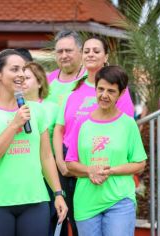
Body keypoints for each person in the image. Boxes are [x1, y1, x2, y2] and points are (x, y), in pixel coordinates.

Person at [0, 49, 68, 236]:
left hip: (35, 202)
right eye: (14, 69)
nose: (21, 74)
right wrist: (14, 125)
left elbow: (46, 156)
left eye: (23, 69)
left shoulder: (37, 110)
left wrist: (58, 193)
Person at [53, 36, 135, 236]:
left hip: (103, 160)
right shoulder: (73, 89)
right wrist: (60, 161)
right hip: (71, 161)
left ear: (106, 56)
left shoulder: (118, 91)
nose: (90, 54)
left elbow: (126, 129)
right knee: (76, 222)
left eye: (96, 51)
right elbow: (59, 128)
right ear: (81, 55)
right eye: (87, 50)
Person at [65, 66, 147, 236]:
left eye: (111, 91)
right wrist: (90, 170)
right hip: (86, 201)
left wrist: (111, 171)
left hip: (119, 200)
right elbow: (70, 163)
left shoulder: (128, 124)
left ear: (122, 93)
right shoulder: (81, 123)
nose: (104, 95)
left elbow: (139, 164)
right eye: (100, 89)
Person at [22, 62, 59, 235]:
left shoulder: (52, 108)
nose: (23, 81)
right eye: (20, 77)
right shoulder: (10, 107)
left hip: (47, 174)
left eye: (27, 77)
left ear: (39, 82)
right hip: (23, 173)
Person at [45, 30, 86, 107]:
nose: (64, 56)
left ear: (81, 52)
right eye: (60, 52)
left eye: (68, 51)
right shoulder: (48, 80)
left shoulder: (91, 78)